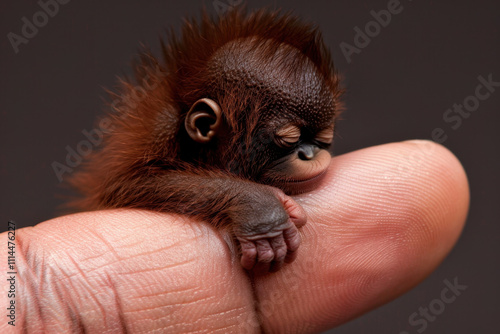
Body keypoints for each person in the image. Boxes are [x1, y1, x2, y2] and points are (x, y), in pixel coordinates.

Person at [1, 141, 469, 333]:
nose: (313, 154)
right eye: (293, 139)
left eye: (320, 140)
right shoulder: (158, 143)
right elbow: (134, 184)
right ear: (205, 128)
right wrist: (245, 203)